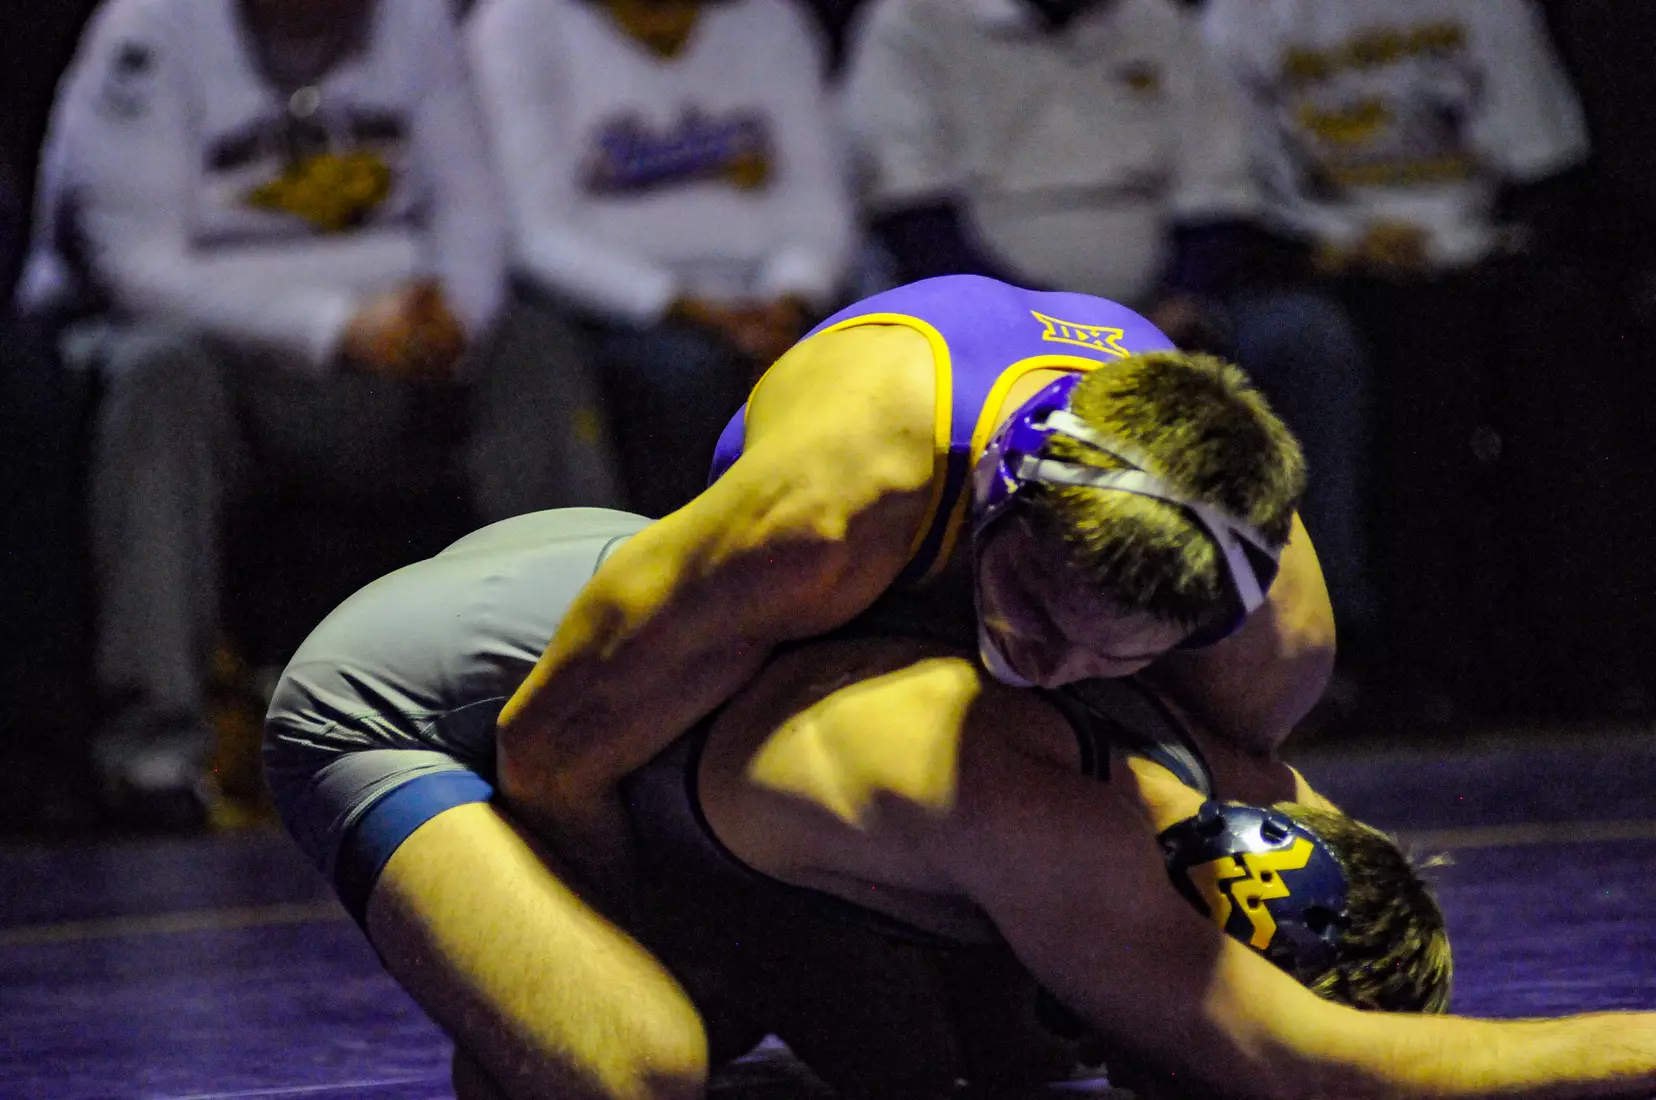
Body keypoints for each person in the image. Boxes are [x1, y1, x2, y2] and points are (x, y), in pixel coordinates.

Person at [264, 506, 1656, 1100]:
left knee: (965, 1048)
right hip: (413, 692)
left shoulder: (1234, 782)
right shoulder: (1045, 827)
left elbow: (1335, 916)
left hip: (598, 572)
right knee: (641, 1064)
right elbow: (1319, 1068)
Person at [494, 274, 1334, 878]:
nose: (1048, 670)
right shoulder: (821, 516)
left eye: (1114, 656)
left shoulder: (1275, 633)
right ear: (995, 500)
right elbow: (545, 759)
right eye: (1035, 610)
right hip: (841, 580)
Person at [18, 0, 619, 826]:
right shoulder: (149, 30)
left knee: (531, 347)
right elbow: (135, 267)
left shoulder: (415, 22)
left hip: (393, 353)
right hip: (220, 368)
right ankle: (155, 759)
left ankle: (593, 706)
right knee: (158, 376)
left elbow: (474, 214)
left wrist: (453, 319)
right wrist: (336, 328)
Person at [466, 0, 856, 517]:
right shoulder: (517, 23)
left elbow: (821, 198)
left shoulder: (768, 16)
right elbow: (537, 235)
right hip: (618, 309)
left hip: (773, 296)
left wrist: (791, 294)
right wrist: (696, 312)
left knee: (882, 345)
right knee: (690, 378)